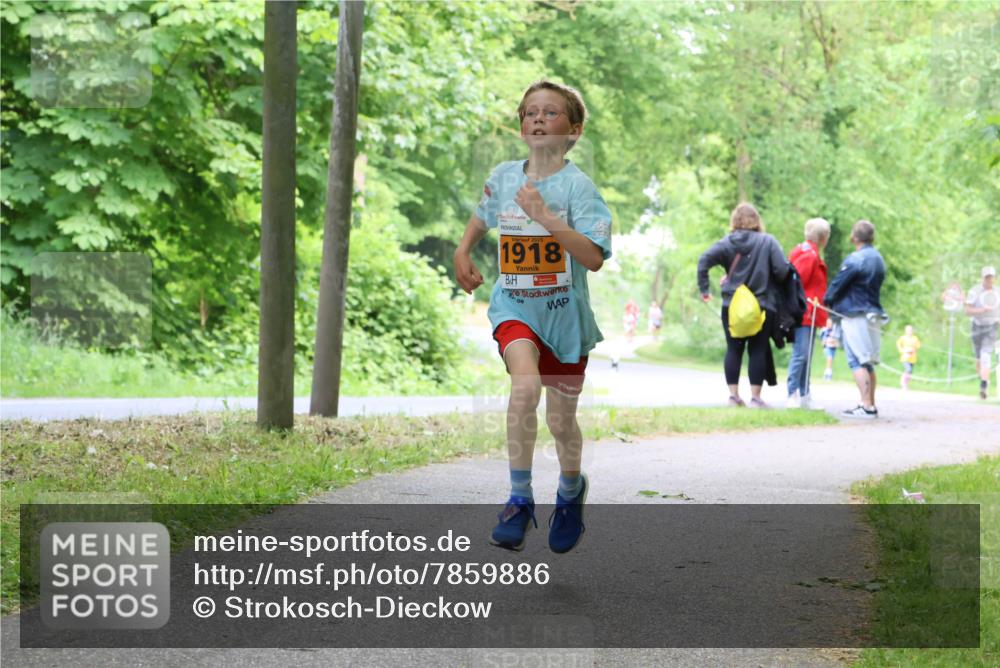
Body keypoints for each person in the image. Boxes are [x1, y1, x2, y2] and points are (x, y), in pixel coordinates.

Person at [453, 80, 612, 553]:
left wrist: (546, 217)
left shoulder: (579, 188)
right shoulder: (504, 177)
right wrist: (464, 250)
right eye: (530, 113)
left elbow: (593, 257)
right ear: (522, 127)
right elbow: (484, 214)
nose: (538, 119)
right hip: (515, 308)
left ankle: (569, 492)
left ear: (574, 130)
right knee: (524, 389)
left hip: (565, 319)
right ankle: (519, 499)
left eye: (551, 113)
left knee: (562, 424)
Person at [697, 202, 790, 408]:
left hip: (732, 306)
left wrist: (705, 290)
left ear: (735, 220)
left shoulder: (726, 243)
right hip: (762, 305)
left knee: (733, 349)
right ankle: (756, 398)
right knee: (757, 349)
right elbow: (782, 270)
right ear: (757, 220)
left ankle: (733, 396)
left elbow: (703, 260)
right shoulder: (768, 242)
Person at [823, 220, 886, 418]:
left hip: (855, 314)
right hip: (873, 312)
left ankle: (866, 406)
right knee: (867, 360)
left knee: (856, 360)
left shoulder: (855, 259)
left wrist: (827, 300)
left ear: (854, 237)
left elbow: (838, 284)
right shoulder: (878, 258)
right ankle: (870, 404)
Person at [785, 218, 831, 408]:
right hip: (804, 312)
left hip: (809, 312)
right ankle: (792, 393)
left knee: (806, 355)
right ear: (823, 237)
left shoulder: (807, 251)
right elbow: (796, 284)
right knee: (801, 354)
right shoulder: (809, 256)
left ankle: (805, 395)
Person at [965, 265, 998, 400]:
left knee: (986, 356)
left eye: (991, 277)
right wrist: (982, 310)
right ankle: (984, 379)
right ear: (982, 278)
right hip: (977, 326)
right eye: (987, 277)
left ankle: (983, 386)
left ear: (995, 278)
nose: (989, 280)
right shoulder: (975, 291)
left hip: (991, 328)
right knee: (978, 358)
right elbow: (967, 311)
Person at [895, 325, 921, 391]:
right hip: (905, 357)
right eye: (908, 330)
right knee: (908, 369)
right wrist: (902, 351)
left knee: (910, 372)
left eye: (911, 330)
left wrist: (914, 349)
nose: (910, 332)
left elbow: (918, 345)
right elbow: (898, 345)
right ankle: (903, 383)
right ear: (906, 331)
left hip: (912, 358)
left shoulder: (915, 338)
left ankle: (906, 384)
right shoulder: (903, 338)